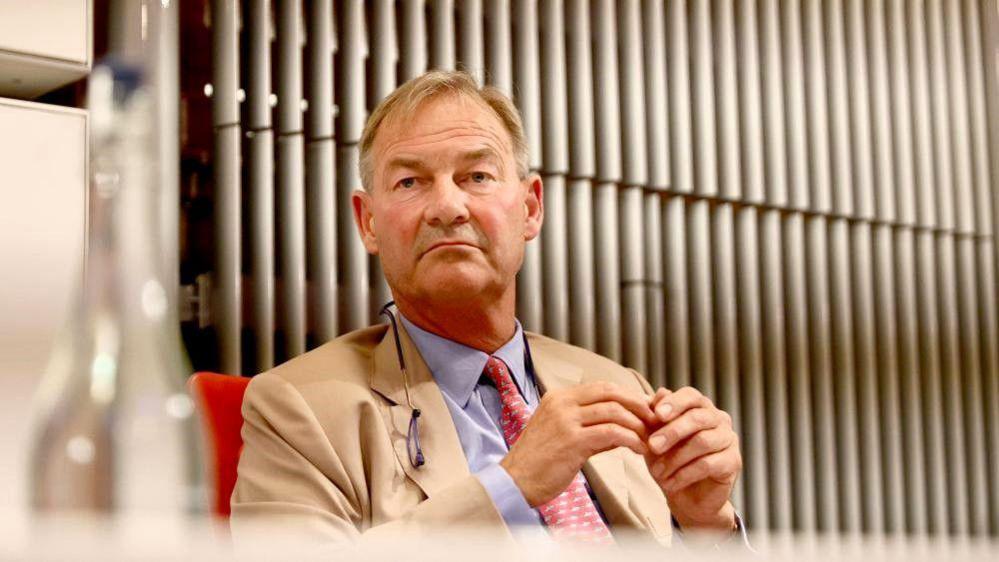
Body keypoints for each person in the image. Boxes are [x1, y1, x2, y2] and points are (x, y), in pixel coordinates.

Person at [231, 70, 744, 548]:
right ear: (368, 222)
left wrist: (707, 524)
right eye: (410, 182)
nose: (448, 207)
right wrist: (510, 486)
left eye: (476, 176)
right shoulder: (296, 410)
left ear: (530, 207)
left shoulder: (619, 387)